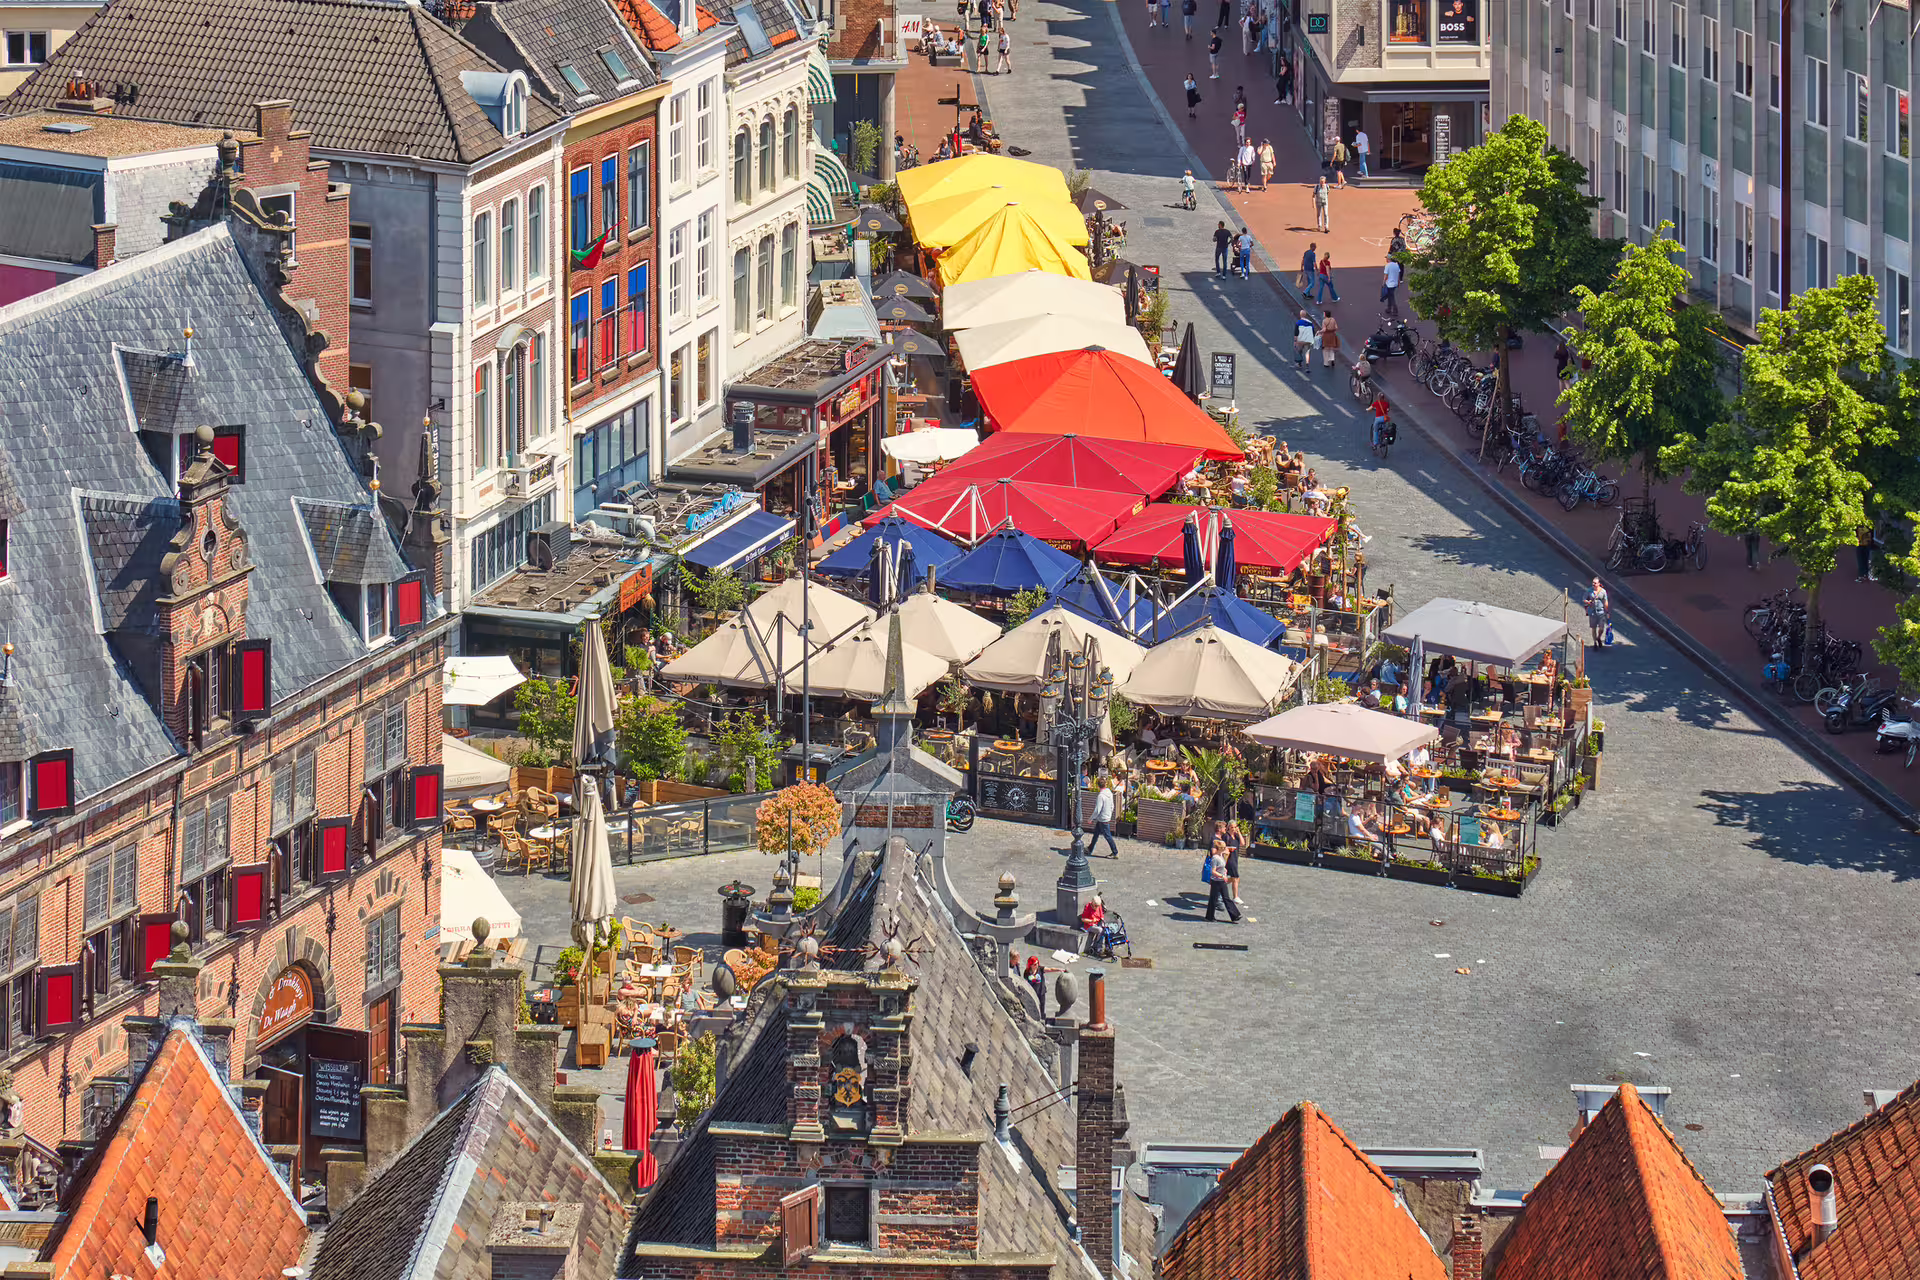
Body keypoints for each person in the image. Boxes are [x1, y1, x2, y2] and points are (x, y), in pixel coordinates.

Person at [1204, 840, 1242, 922]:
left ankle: (1235, 915)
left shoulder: (1221, 856)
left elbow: (1221, 866)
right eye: (1224, 848)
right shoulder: (1215, 858)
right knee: (1213, 899)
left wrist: (1224, 870)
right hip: (1216, 881)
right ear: (1219, 848)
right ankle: (1210, 916)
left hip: (1221, 880)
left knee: (1225, 897)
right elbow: (1213, 871)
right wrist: (1222, 876)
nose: (1225, 849)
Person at [1088, 775, 1119, 857]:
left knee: (1108, 836)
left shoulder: (1100, 796)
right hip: (1105, 817)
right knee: (1096, 834)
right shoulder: (1109, 793)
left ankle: (1115, 852)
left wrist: (1091, 818)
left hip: (1102, 819)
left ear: (1098, 786)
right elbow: (1112, 806)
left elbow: (1097, 810)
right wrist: (1109, 814)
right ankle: (1090, 849)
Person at [1585, 577, 1611, 645]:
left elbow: (1606, 601)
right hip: (1592, 612)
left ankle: (1598, 637)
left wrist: (1607, 611)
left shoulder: (1603, 591)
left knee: (1601, 628)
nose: (1593, 584)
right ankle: (1595, 643)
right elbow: (1584, 599)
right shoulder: (1589, 590)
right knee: (1593, 628)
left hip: (1601, 612)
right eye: (1593, 582)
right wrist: (1588, 602)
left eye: (1595, 583)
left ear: (1599, 584)